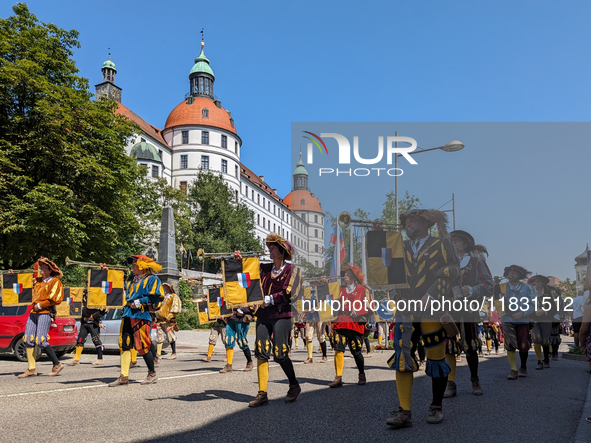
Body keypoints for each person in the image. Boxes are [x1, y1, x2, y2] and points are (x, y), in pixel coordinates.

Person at [386, 209, 461, 428]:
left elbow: (454, 270)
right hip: (406, 310)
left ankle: (436, 406)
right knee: (402, 358)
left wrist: (432, 293)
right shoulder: (401, 246)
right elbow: (386, 269)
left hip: (433, 310)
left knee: (436, 360)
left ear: (425, 223)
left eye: (412, 220)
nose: (407, 224)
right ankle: (404, 411)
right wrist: (378, 236)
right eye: (406, 221)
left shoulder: (441, 244)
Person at [247, 233, 301, 407]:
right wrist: (238, 260)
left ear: (282, 251)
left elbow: (290, 292)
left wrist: (269, 300)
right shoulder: (264, 269)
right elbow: (246, 273)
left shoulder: (293, 270)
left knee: (280, 354)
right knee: (261, 351)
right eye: (270, 246)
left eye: (273, 247)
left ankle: (293, 384)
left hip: (282, 315)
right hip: (263, 315)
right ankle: (262, 393)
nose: (270, 249)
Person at [444, 230, 493, 397]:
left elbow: (489, 285)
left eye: (456, 241)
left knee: (470, 346)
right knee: (449, 346)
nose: (453, 243)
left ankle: (475, 380)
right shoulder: (445, 263)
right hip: (449, 310)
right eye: (451, 241)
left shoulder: (476, 262)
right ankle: (450, 383)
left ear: (465, 244)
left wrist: (473, 289)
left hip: (469, 310)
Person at [108, 255, 164, 387]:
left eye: (135, 263)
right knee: (124, 344)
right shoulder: (129, 279)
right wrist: (105, 272)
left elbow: (158, 297)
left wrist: (140, 301)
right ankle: (124, 376)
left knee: (142, 345)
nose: (132, 266)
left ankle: (152, 373)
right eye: (132, 264)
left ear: (143, 266)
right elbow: (114, 285)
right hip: (127, 313)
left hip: (142, 314)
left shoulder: (152, 280)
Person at [17, 257, 65, 377]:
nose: (41, 269)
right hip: (33, 313)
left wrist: (41, 304)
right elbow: (22, 285)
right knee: (28, 338)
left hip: (45, 312)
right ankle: (31, 369)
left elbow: (56, 298)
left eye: (43, 267)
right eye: (41, 267)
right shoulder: (36, 281)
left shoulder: (55, 282)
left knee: (41, 340)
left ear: (49, 270)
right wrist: (14, 276)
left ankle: (57, 363)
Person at [329, 263, 369, 387]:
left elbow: (369, 306)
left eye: (347, 274)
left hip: (354, 323)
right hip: (341, 321)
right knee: (338, 349)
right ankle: (338, 377)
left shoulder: (363, 290)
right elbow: (330, 297)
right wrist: (325, 284)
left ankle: (361, 374)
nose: (345, 276)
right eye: (344, 274)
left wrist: (358, 311)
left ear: (354, 277)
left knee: (356, 351)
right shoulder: (340, 289)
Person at [495, 265, 535, 380]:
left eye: (514, 273)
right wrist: (503, 314)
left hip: (522, 320)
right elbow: (497, 301)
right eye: (509, 273)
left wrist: (523, 312)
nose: (511, 275)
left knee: (523, 344)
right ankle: (513, 369)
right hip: (507, 320)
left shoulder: (528, 288)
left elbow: (533, 304)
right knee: (510, 344)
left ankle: (523, 366)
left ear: (519, 275)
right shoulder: (501, 287)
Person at [68, 289, 108, 366]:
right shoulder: (84, 296)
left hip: (93, 323)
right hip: (84, 322)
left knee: (96, 340)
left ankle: (100, 359)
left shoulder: (98, 296)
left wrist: (94, 316)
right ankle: (76, 359)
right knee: (80, 340)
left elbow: (104, 310)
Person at [529, 275, 561, 369]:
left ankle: (546, 359)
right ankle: (539, 361)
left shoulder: (549, 293)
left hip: (546, 319)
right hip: (534, 320)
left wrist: (545, 311)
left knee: (545, 340)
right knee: (536, 338)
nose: (536, 283)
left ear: (543, 283)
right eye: (535, 281)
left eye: (539, 281)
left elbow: (554, 308)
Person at [219, 305, 254, 373]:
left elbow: (252, 303)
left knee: (242, 341)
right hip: (230, 318)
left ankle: (250, 362)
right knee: (228, 340)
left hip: (241, 319)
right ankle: (229, 365)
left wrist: (242, 310)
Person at [155, 283, 181, 362]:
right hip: (159, 320)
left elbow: (176, 308)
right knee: (159, 336)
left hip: (168, 321)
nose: (164, 289)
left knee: (170, 336)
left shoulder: (173, 297)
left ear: (170, 288)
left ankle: (174, 353)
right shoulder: (161, 297)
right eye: (163, 287)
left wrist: (169, 317)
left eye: (166, 287)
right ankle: (158, 354)